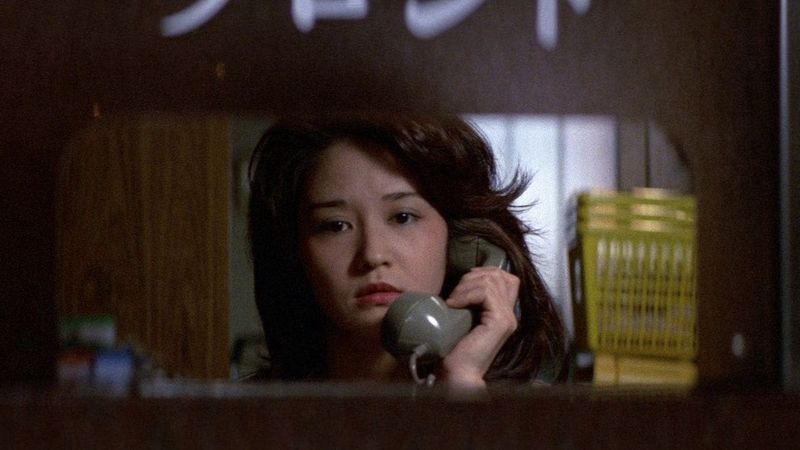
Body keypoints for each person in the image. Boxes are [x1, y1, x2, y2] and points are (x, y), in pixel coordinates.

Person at [247, 114, 566, 391]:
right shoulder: (248, 416)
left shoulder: (533, 415)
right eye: (336, 225)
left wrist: (462, 383)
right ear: (296, 250)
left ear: (460, 242)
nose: (372, 255)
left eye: (402, 218)